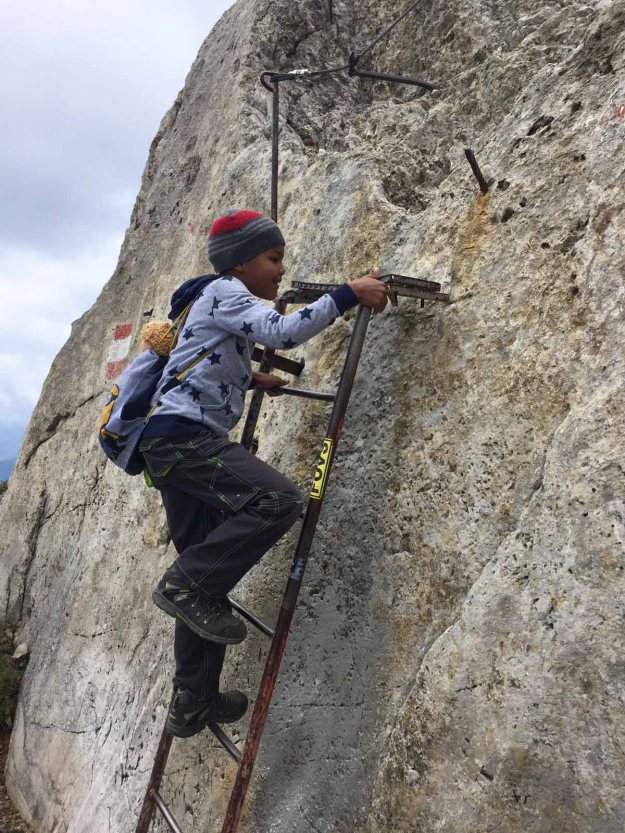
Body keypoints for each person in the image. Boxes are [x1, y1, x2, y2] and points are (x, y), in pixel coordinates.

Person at [140, 209, 388, 737]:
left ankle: (193, 699)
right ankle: (184, 584)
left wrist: (251, 379)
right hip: (185, 439)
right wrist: (348, 294)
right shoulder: (227, 292)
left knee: (204, 583)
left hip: (169, 442)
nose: (281, 269)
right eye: (274, 258)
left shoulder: (210, 300)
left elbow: (198, 360)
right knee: (279, 501)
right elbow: (283, 331)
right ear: (241, 262)